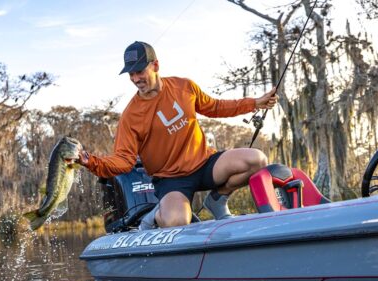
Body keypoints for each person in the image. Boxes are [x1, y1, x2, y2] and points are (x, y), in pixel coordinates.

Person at [78, 41, 278, 229]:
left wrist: (254, 103)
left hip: (205, 163)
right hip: (171, 179)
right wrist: (91, 162)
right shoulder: (130, 116)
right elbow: (124, 161)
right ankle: (157, 212)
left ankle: (217, 200)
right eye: (131, 74)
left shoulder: (184, 86)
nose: (135, 79)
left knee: (256, 160)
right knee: (176, 221)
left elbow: (215, 107)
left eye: (139, 71)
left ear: (155, 65)